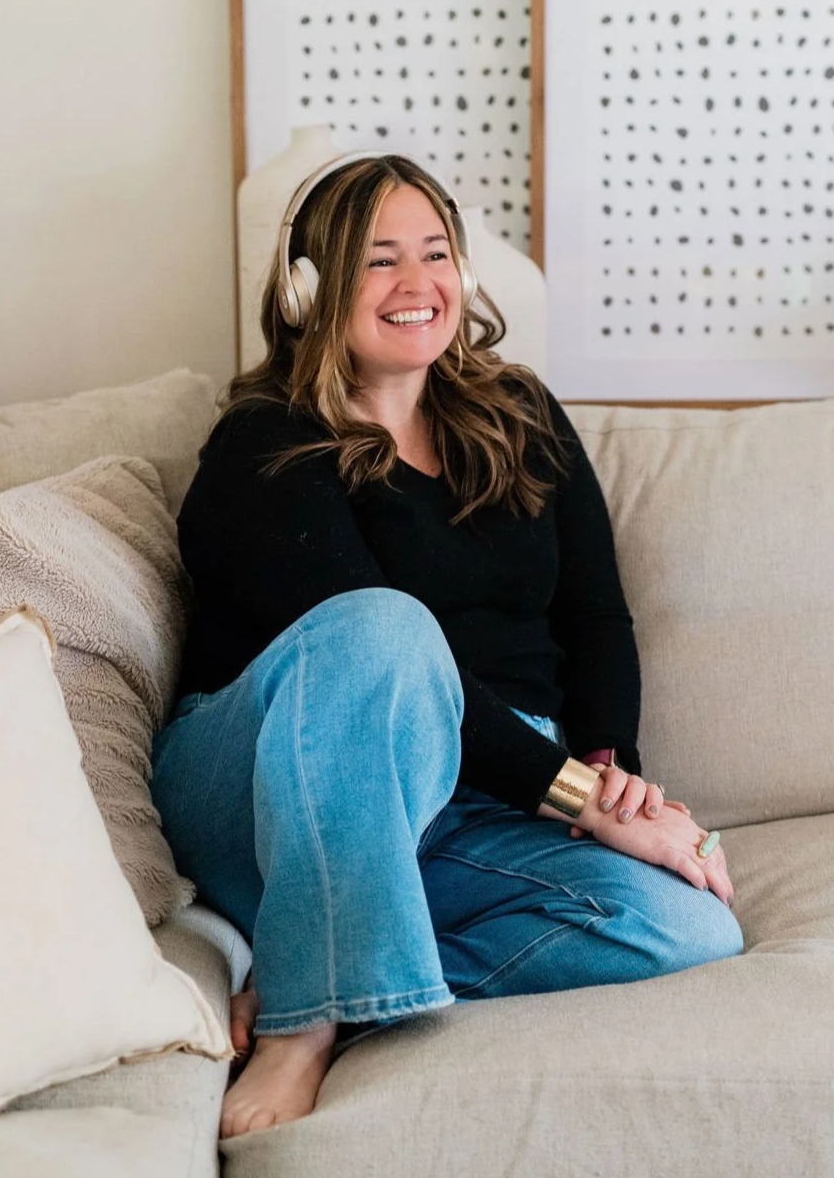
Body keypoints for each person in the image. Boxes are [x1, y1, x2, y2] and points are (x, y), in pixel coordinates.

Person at [150, 152, 743, 1140]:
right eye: (380, 261)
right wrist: (583, 802)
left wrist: (614, 774)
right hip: (274, 780)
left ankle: (342, 977)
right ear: (308, 288)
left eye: (436, 253)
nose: (418, 283)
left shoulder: (523, 418)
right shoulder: (263, 444)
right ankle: (304, 1018)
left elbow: (595, 618)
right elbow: (378, 665)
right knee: (388, 629)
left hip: (475, 801)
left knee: (689, 924)